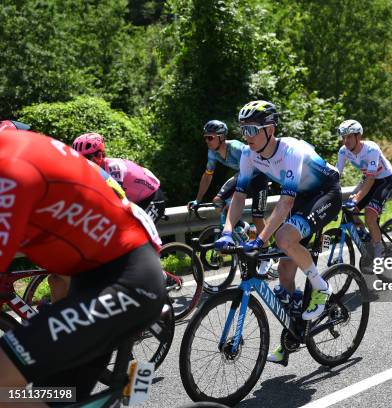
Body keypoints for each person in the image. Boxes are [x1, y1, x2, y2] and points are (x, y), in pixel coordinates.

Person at [0, 128, 165, 401]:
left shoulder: (14, 170)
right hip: (90, 276)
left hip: (129, 278)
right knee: (51, 396)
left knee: (4, 380)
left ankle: (134, 380)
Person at [214, 100, 341, 364]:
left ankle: (321, 287)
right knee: (284, 273)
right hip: (302, 198)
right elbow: (239, 197)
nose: (246, 137)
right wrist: (226, 232)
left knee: (284, 238)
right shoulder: (250, 155)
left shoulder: (290, 151)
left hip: (325, 193)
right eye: (243, 130)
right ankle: (294, 332)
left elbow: (285, 204)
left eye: (252, 130)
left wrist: (260, 240)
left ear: (270, 129)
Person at [188, 120, 267, 235]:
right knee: (219, 202)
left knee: (258, 218)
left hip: (259, 175)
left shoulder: (235, 148)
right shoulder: (212, 153)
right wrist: (198, 199)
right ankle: (240, 227)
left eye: (210, 138)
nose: (207, 141)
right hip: (243, 175)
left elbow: (255, 165)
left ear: (221, 137)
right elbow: (207, 176)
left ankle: (258, 241)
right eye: (205, 138)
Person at [72, 132, 166, 223]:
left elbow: (114, 201)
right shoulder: (88, 171)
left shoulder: (114, 167)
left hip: (152, 198)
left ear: (99, 155)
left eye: (86, 158)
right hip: (134, 203)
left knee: (133, 232)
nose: (83, 162)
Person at [336, 119, 392, 258]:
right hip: (368, 179)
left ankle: (379, 250)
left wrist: (356, 199)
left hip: (384, 180)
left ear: (358, 136)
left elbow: (371, 179)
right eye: (343, 137)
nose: (345, 141)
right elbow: (336, 175)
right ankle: (367, 236)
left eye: (349, 136)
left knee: (370, 215)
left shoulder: (371, 149)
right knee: (350, 212)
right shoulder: (343, 152)